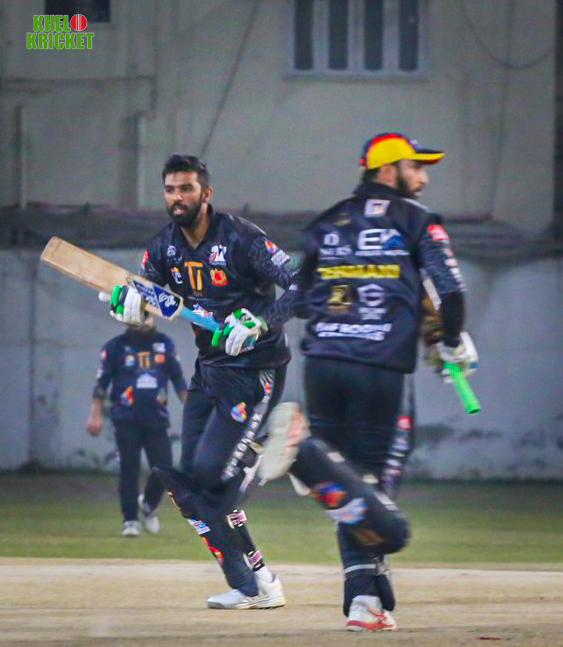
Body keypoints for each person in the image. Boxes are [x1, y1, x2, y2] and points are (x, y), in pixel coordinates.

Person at [259, 132, 478, 631]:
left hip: (323, 364)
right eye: (415, 167)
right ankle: (306, 454)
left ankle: (365, 596)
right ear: (387, 170)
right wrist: (451, 340)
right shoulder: (416, 219)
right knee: (371, 487)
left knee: (347, 486)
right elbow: (450, 290)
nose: (422, 178)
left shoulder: (327, 221)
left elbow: (295, 298)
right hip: (377, 368)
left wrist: (256, 324)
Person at [105, 154, 298, 609]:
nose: (177, 198)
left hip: (256, 369)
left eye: (186, 189)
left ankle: (272, 452)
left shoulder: (242, 238)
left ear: (206, 194)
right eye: (170, 190)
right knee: (190, 488)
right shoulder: (163, 248)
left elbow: (301, 284)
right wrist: (128, 305)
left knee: (212, 477)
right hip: (209, 370)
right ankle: (258, 582)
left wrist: (260, 322)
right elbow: (145, 294)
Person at [86, 316, 188, 537]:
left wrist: (194, 411)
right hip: (125, 419)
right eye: (138, 314)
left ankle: (149, 504)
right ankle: (130, 520)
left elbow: (179, 380)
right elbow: (101, 383)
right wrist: (95, 414)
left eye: (146, 314)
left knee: (165, 469)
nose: (142, 319)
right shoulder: (115, 347)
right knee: (128, 470)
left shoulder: (165, 344)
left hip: (157, 418)